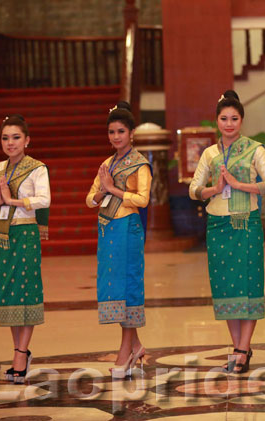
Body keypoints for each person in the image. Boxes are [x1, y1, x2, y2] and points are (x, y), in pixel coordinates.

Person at [189, 90, 265, 374]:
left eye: (234, 118)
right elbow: (193, 189)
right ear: (217, 121)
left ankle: (242, 348)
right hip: (217, 225)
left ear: (242, 120)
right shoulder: (209, 153)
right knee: (227, 286)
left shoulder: (255, 149)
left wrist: (241, 185)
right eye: (224, 118)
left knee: (248, 285)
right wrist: (214, 189)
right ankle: (240, 346)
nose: (229, 123)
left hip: (247, 223)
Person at [0, 114, 51, 384]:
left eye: (16, 137)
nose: (10, 143)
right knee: (8, 293)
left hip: (25, 234)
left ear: (27, 140)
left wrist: (13, 200)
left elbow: (44, 199)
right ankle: (19, 351)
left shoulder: (36, 169)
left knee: (26, 291)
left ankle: (21, 353)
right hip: (1, 237)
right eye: (6, 138)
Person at [86, 101, 152, 378]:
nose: (116, 137)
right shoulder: (106, 164)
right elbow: (89, 200)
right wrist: (103, 191)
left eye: (121, 131)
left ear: (131, 133)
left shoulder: (140, 164)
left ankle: (125, 350)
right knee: (114, 288)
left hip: (128, 227)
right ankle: (135, 345)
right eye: (112, 132)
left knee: (128, 287)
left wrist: (113, 189)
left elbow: (143, 199)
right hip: (108, 230)